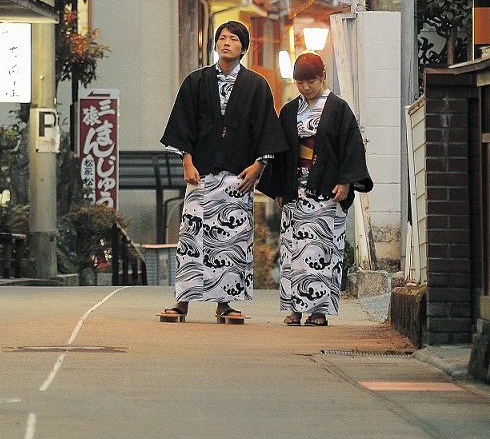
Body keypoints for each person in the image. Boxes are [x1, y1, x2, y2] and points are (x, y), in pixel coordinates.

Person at [158, 20, 288, 324]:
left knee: (231, 242)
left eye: (233, 39)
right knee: (193, 236)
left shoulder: (256, 86)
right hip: (201, 173)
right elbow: (182, 124)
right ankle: (182, 302)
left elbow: (266, 129)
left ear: (243, 47)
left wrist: (260, 165)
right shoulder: (196, 81)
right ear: (215, 44)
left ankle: (225, 304)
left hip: (238, 177)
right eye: (222, 38)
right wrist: (187, 162)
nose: (226, 42)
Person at [262, 52, 372, 326]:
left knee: (321, 252)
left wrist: (346, 180)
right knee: (292, 251)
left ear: (322, 77)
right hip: (294, 191)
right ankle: (294, 309)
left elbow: (351, 147)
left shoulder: (338, 109)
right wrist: (278, 188)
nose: (305, 87)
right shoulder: (289, 111)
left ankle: (319, 311)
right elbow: (280, 152)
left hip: (326, 189)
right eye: (300, 82)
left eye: (310, 81)